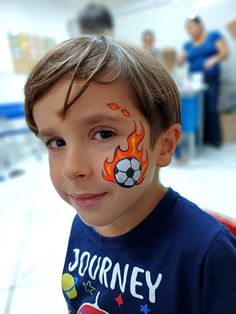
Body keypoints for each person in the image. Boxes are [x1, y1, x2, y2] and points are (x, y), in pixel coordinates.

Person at [24, 35, 236, 313]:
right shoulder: (82, 225)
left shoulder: (209, 254)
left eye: (103, 134)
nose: (71, 168)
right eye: (56, 142)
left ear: (165, 145)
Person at [179, 15, 229, 147]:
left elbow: (225, 53)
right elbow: (179, 62)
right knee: (197, 109)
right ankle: (200, 140)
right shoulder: (188, 44)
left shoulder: (213, 35)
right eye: (187, 28)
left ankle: (214, 140)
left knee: (211, 108)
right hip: (194, 81)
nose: (189, 30)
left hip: (211, 78)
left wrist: (214, 59)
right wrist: (180, 59)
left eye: (190, 26)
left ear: (199, 25)